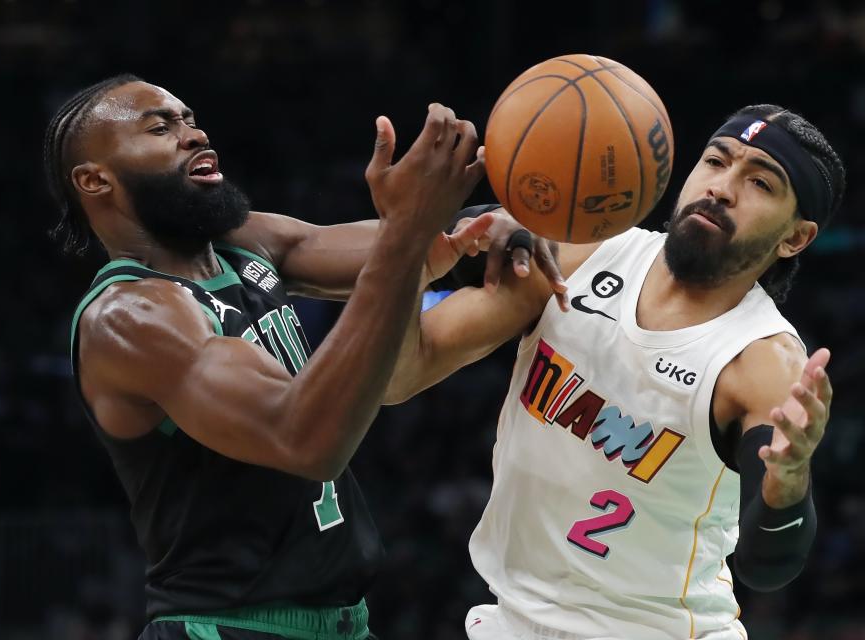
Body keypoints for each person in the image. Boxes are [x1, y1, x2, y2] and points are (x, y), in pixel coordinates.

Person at [45, 73, 550, 640]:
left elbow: (419, 248)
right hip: (230, 626)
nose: (193, 134)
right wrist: (408, 232)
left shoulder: (243, 243)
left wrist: (501, 218)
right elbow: (305, 438)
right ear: (95, 180)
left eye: (188, 119)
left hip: (345, 622)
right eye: (160, 128)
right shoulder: (130, 317)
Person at [385, 104, 845, 639]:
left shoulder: (761, 362)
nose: (721, 187)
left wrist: (789, 482)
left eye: (760, 182)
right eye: (716, 160)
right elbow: (398, 378)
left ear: (795, 237)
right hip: (510, 620)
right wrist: (412, 240)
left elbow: (768, 568)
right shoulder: (581, 254)